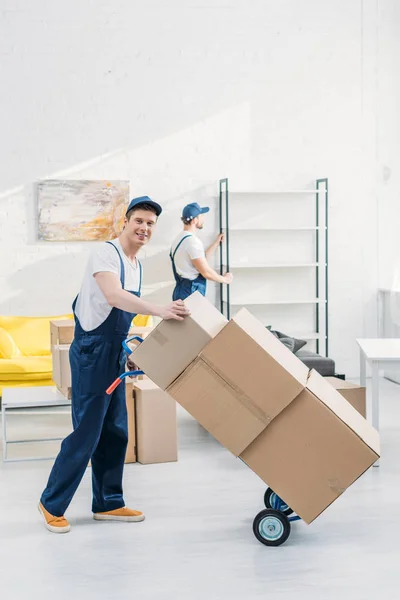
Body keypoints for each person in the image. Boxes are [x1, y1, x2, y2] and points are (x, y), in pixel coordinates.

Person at [39, 196, 189, 534]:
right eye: (139, 221)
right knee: (87, 432)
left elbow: (124, 313)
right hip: (92, 354)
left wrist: (133, 347)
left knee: (116, 430)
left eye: (150, 224)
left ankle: (108, 502)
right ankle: (51, 503)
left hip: (114, 354)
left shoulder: (136, 265)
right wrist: (161, 309)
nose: (144, 228)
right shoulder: (107, 254)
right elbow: (113, 296)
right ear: (126, 221)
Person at [170, 202, 233, 301]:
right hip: (191, 293)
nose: (203, 219)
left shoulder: (179, 238)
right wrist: (225, 279)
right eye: (201, 216)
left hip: (181, 291)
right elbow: (206, 272)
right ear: (195, 220)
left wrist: (216, 243)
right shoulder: (192, 242)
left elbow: (199, 260)